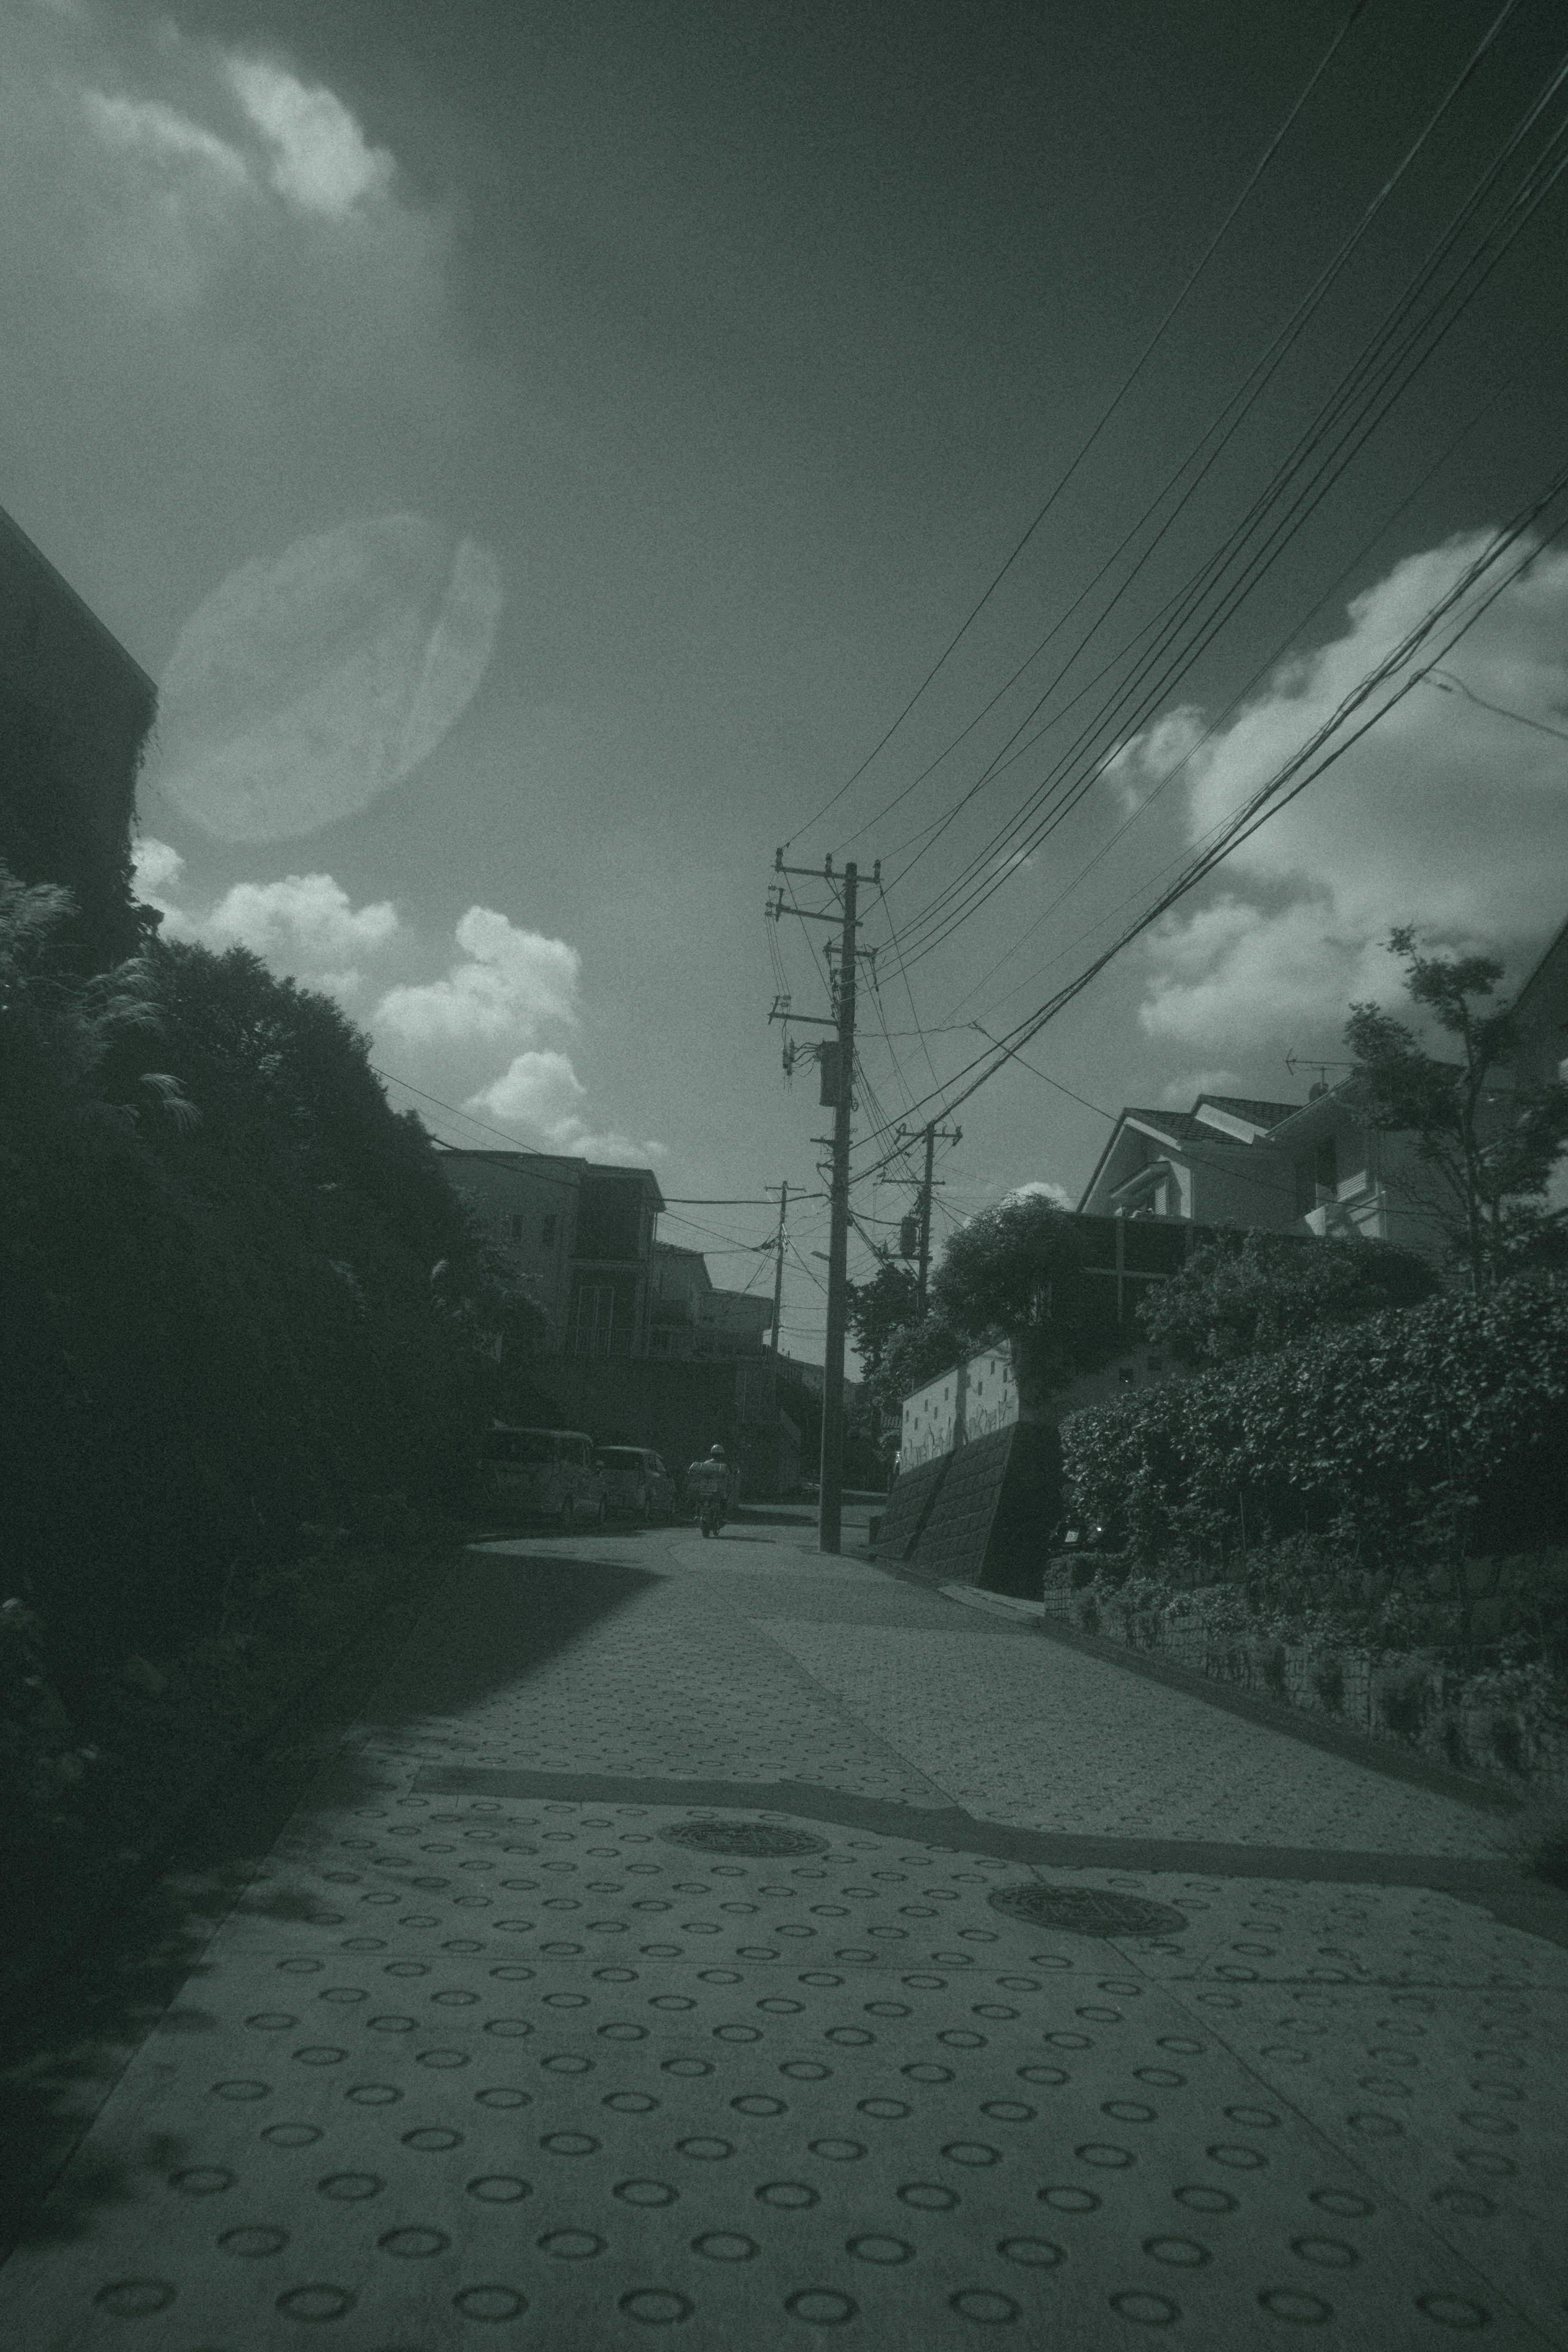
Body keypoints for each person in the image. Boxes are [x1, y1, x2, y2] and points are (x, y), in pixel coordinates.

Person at [686, 1443, 730, 1537]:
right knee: (725, 1501)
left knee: (700, 1502)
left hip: (705, 1493)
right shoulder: (723, 1466)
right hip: (715, 1493)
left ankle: (697, 1514)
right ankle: (722, 1517)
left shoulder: (706, 1464)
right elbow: (727, 1481)